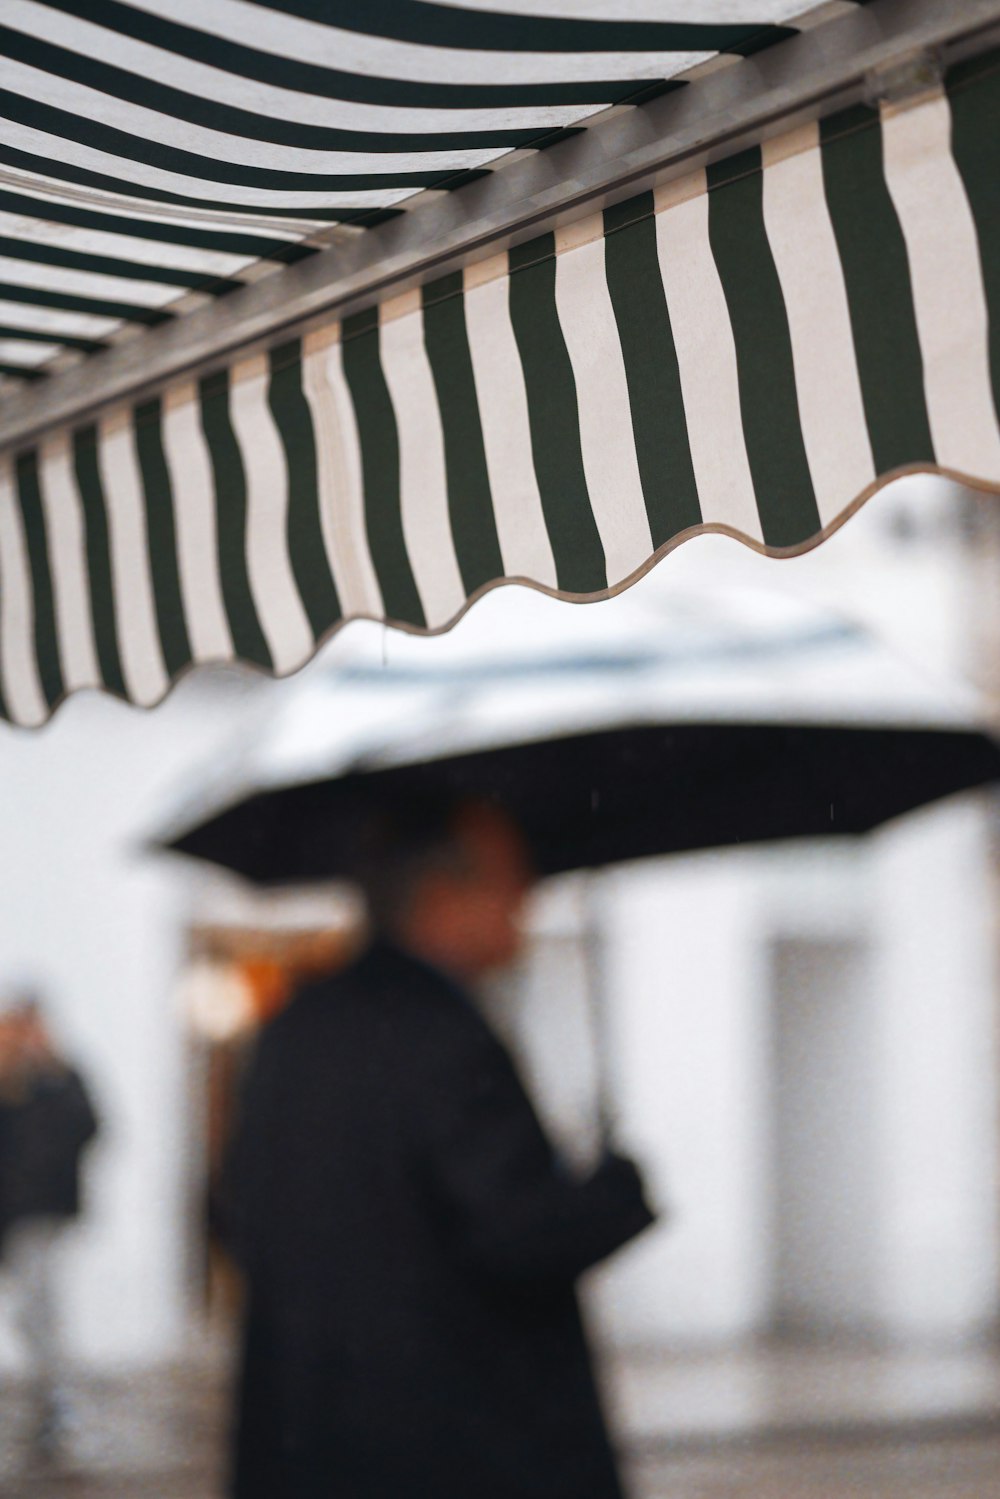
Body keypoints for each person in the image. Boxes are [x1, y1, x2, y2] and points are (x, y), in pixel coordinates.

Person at [223, 798, 655, 1499]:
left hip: (313, 1438)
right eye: (512, 876)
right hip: (456, 1445)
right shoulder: (443, 1034)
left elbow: (233, 1212)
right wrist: (612, 1193)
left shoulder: (296, 1026)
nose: (527, 898)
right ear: (442, 894)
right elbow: (513, 1232)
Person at [0, 997, 100, 1459]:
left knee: (37, 1308)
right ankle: (53, 1397)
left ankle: (59, 1398)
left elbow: (90, 1125)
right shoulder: (10, 1083)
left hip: (40, 1212)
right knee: (32, 1311)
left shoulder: (59, 1078)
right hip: (13, 1215)